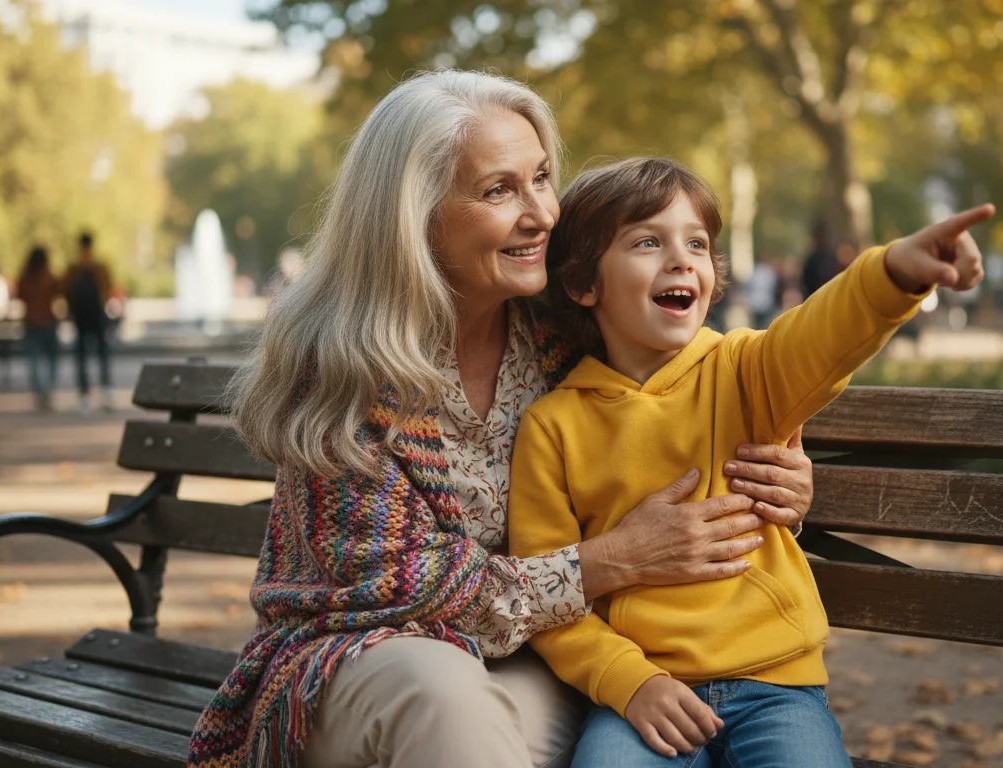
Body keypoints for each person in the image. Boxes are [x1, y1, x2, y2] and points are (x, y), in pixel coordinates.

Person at [186, 70, 818, 768]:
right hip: (363, 654)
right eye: (499, 190)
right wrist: (613, 559)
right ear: (416, 216)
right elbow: (406, 590)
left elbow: (682, 408)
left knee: (540, 733)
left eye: (542, 178)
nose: (543, 213)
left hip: (529, 653)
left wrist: (776, 475)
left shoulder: (559, 332)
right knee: (445, 694)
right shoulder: (341, 367)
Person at [511, 157, 990, 767]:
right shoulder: (552, 426)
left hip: (776, 689)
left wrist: (894, 271)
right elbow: (550, 590)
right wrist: (629, 682)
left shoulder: (746, 370)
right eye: (647, 242)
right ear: (583, 283)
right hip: (643, 694)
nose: (682, 259)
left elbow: (823, 334)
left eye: (697, 244)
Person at [61, 232, 113, 412]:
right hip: (97, 315)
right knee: (102, 355)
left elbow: (65, 290)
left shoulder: (74, 268)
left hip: (81, 318)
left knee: (81, 357)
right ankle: (106, 393)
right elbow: (107, 288)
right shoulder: (99, 266)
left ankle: (84, 396)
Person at [16, 246, 61, 411]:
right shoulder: (48, 277)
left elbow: (20, 295)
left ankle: (38, 394)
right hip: (48, 322)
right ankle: (47, 392)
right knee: (52, 360)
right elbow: (58, 292)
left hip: (31, 323)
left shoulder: (25, 278)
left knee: (33, 361)